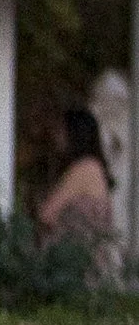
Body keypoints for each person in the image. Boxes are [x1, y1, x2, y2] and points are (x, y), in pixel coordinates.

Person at [38, 104, 115, 246]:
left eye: (61, 130)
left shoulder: (85, 168)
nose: (57, 136)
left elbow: (47, 214)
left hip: (78, 258)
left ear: (74, 133)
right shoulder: (92, 167)